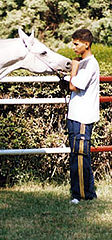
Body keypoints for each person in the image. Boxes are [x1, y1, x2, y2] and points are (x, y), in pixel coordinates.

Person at [67, 29, 99, 204]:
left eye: (76, 43)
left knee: (79, 155)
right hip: (76, 115)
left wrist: (74, 68)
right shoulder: (84, 63)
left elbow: (74, 86)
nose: (74, 47)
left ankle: (80, 195)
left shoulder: (89, 64)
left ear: (86, 44)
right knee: (78, 154)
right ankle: (87, 190)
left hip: (82, 117)